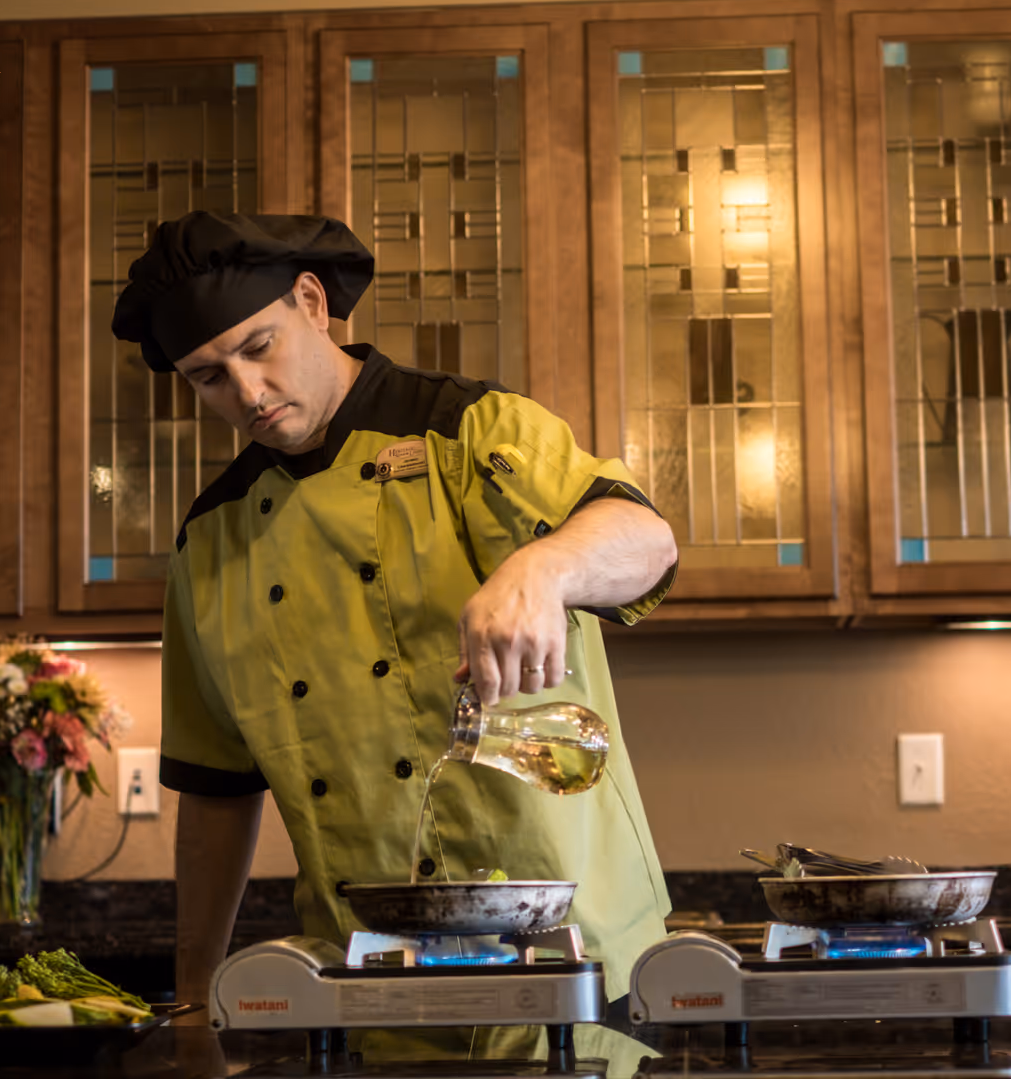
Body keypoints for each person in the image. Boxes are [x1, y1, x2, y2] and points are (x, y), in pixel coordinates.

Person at [110, 211, 679, 1012]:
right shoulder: (212, 542)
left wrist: (545, 567)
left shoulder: (470, 430)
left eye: (257, 348)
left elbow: (646, 539)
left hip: (574, 970)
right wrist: (197, 996)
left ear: (311, 301)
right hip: (366, 985)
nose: (246, 394)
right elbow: (214, 793)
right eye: (208, 377)